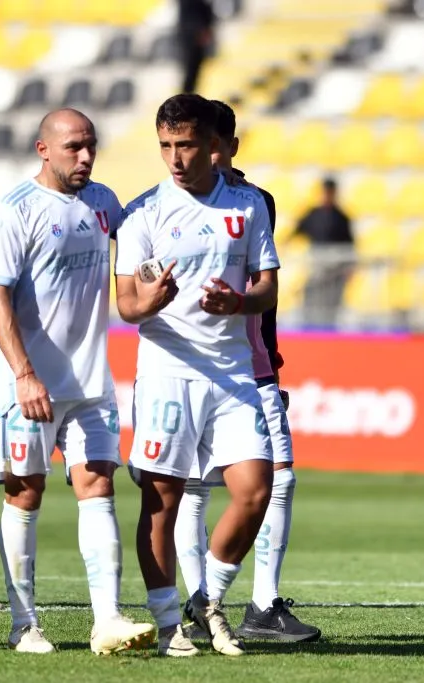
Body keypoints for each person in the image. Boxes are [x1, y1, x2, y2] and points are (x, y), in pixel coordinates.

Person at [0, 108, 157, 655]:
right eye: (74, 147)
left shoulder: (103, 203)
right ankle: (24, 625)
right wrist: (24, 374)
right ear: (44, 149)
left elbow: (136, 261)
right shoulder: (14, 213)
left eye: (91, 146)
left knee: (98, 486)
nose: (85, 157)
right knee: (25, 492)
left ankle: (106, 619)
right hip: (29, 385)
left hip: (90, 384)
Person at [115, 93, 278, 657]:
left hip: (232, 373)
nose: (175, 158)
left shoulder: (248, 204)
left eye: (185, 145)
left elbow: (267, 287)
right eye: (165, 146)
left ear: (213, 146)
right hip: (167, 370)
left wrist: (239, 302)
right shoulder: (142, 212)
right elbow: (127, 307)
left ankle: (206, 599)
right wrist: (153, 300)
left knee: (256, 492)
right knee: (161, 501)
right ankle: (166, 625)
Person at [173, 100, 320, 643]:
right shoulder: (169, 205)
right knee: (193, 488)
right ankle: (198, 600)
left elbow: (261, 281)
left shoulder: (255, 202)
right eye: (194, 145)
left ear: (230, 147)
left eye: (214, 144)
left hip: (254, 364)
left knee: (277, 480)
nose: (203, 156)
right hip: (186, 367)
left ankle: (262, 604)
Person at [294, 176, 354, 328]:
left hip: (336, 267)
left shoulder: (341, 217)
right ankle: (309, 323)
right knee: (312, 292)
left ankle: (330, 326)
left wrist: (349, 268)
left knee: (332, 299)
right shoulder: (313, 214)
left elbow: (349, 244)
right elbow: (296, 231)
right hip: (317, 263)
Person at [177, 0, 216, 93]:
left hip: (193, 32)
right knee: (191, 68)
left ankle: (189, 96)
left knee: (194, 68)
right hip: (193, 34)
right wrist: (201, 30)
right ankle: (187, 97)